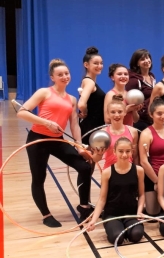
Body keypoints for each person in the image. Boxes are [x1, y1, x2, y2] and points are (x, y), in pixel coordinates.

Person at [17, 59, 94, 227]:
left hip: (57, 140)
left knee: (84, 166)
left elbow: (74, 124)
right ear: (52, 77)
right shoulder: (44, 92)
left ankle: (84, 206)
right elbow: (22, 112)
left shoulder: (72, 99)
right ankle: (46, 215)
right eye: (60, 74)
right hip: (38, 139)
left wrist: (79, 145)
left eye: (67, 74)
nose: (65, 77)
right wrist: (46, 122)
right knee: (39, 178)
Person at [86, 138, 145, 245]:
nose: (124, 155)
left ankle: (127, 229)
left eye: (128, 151)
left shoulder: (139, 170)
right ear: (114, 152)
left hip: (131, 213)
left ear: (132, 151)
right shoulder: (107, 172)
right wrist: (93, 220)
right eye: (121, 151)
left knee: (136, 235)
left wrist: (139, 211)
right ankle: (117, 228)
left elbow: (141, 195)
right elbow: (102, 199)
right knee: (117, 238)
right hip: (112, 214)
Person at [138, 98, 164, 217]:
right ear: (151, 114)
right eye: (159, 113)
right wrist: (157, 181)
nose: (163, 116)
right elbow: (143, 161)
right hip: (154, 176)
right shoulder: (146, 134)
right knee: (153, 214)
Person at [78, 47, 106, 145]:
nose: (100, 66)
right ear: (86, 65)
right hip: (91, 127)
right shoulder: (89, 82)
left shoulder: (89, 81)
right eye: (96, 63)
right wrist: (84, 112)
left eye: (101, 63)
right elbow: (81, 104)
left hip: (94, 125)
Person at [102, 95, 139, 169]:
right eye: (113, 112)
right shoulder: (103, 133)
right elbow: (96, 159)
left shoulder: (133, 131)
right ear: (108, 114)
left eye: (120, 112)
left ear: (125, 112)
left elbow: (135, 156)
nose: (116, 115)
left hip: (129, 172)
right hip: (110, 173)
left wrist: (136, 173)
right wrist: (98, 154)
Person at [126, 49, 155, 130]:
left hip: (152, 118)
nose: (146, 61)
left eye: (147, 58)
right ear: (137, 63)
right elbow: (129, 100)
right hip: (140, 120)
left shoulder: (152, 77)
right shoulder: (133, 80)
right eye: (142, 59)